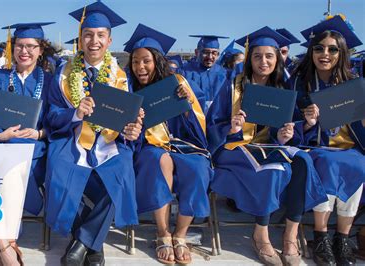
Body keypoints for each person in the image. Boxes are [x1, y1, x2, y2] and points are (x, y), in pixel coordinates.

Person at [207, 26, 328, 266]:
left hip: (271, 147)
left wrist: (288, 135)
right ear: (250, 59)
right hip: (234, 150)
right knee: (273, 166)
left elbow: (290, 129)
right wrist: (230, 128)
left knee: (303, 161)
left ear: (278, 58)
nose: (264, 61)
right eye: (257, 56)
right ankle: (260, 234)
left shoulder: (283, 88)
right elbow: (212, 124)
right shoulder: (233, 86)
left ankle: (290, 237)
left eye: (269, 56)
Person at [44, 2, 143, 265]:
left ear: (109, 40)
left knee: (121, 175)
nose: (94, 41)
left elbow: (128, 121)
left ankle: (82, 242)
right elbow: (52, 117)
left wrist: (131, 130)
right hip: (71, 140)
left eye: (100, 35)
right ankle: (94, 245)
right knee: (57, 171)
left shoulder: (121, 77)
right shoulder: (63, 74)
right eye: (88, 35)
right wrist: (76, 113)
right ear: (80, 39)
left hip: (110, 141)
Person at [125, 23, 213, 265]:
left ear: (157, 61)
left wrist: (186, 109)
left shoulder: (178, 82)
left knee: (197, 167)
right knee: (156, 160)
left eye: (146, 61)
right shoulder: (129, 87)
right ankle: (163, 232)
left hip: (184, 145)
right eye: (135, 61)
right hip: (150, 147)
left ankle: (180, 235)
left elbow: (200, 128)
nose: (140, 67)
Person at [0, 21, 56, 265]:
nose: (24, 51)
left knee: (11, 170)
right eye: (19, 46)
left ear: (40, 50)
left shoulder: (51, 82)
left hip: (31, 148)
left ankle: (2, 249)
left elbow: (58, 118)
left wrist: (40, 133)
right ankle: (6, 247)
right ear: (12, 48)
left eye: (30, 46)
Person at [289, 15, 365, 265]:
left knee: (358, 164)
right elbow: (286, 124)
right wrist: (307, 123)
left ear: (341, 53)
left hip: (350, 148)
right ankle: (321, 236)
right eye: (319, 48)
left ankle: (342, 238)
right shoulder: (299, 83)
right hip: (315, 148)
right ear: (311, 51)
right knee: (327, 163)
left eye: (333, 49)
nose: (325, 53)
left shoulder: (354, 85)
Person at [179, 34, 228, 113]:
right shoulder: (184, 72)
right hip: (192, 119)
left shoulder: (224, 74)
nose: (210, 56)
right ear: (196, 52)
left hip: (216, 121)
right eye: (206, 52)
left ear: (218, 55)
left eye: (214, 53)